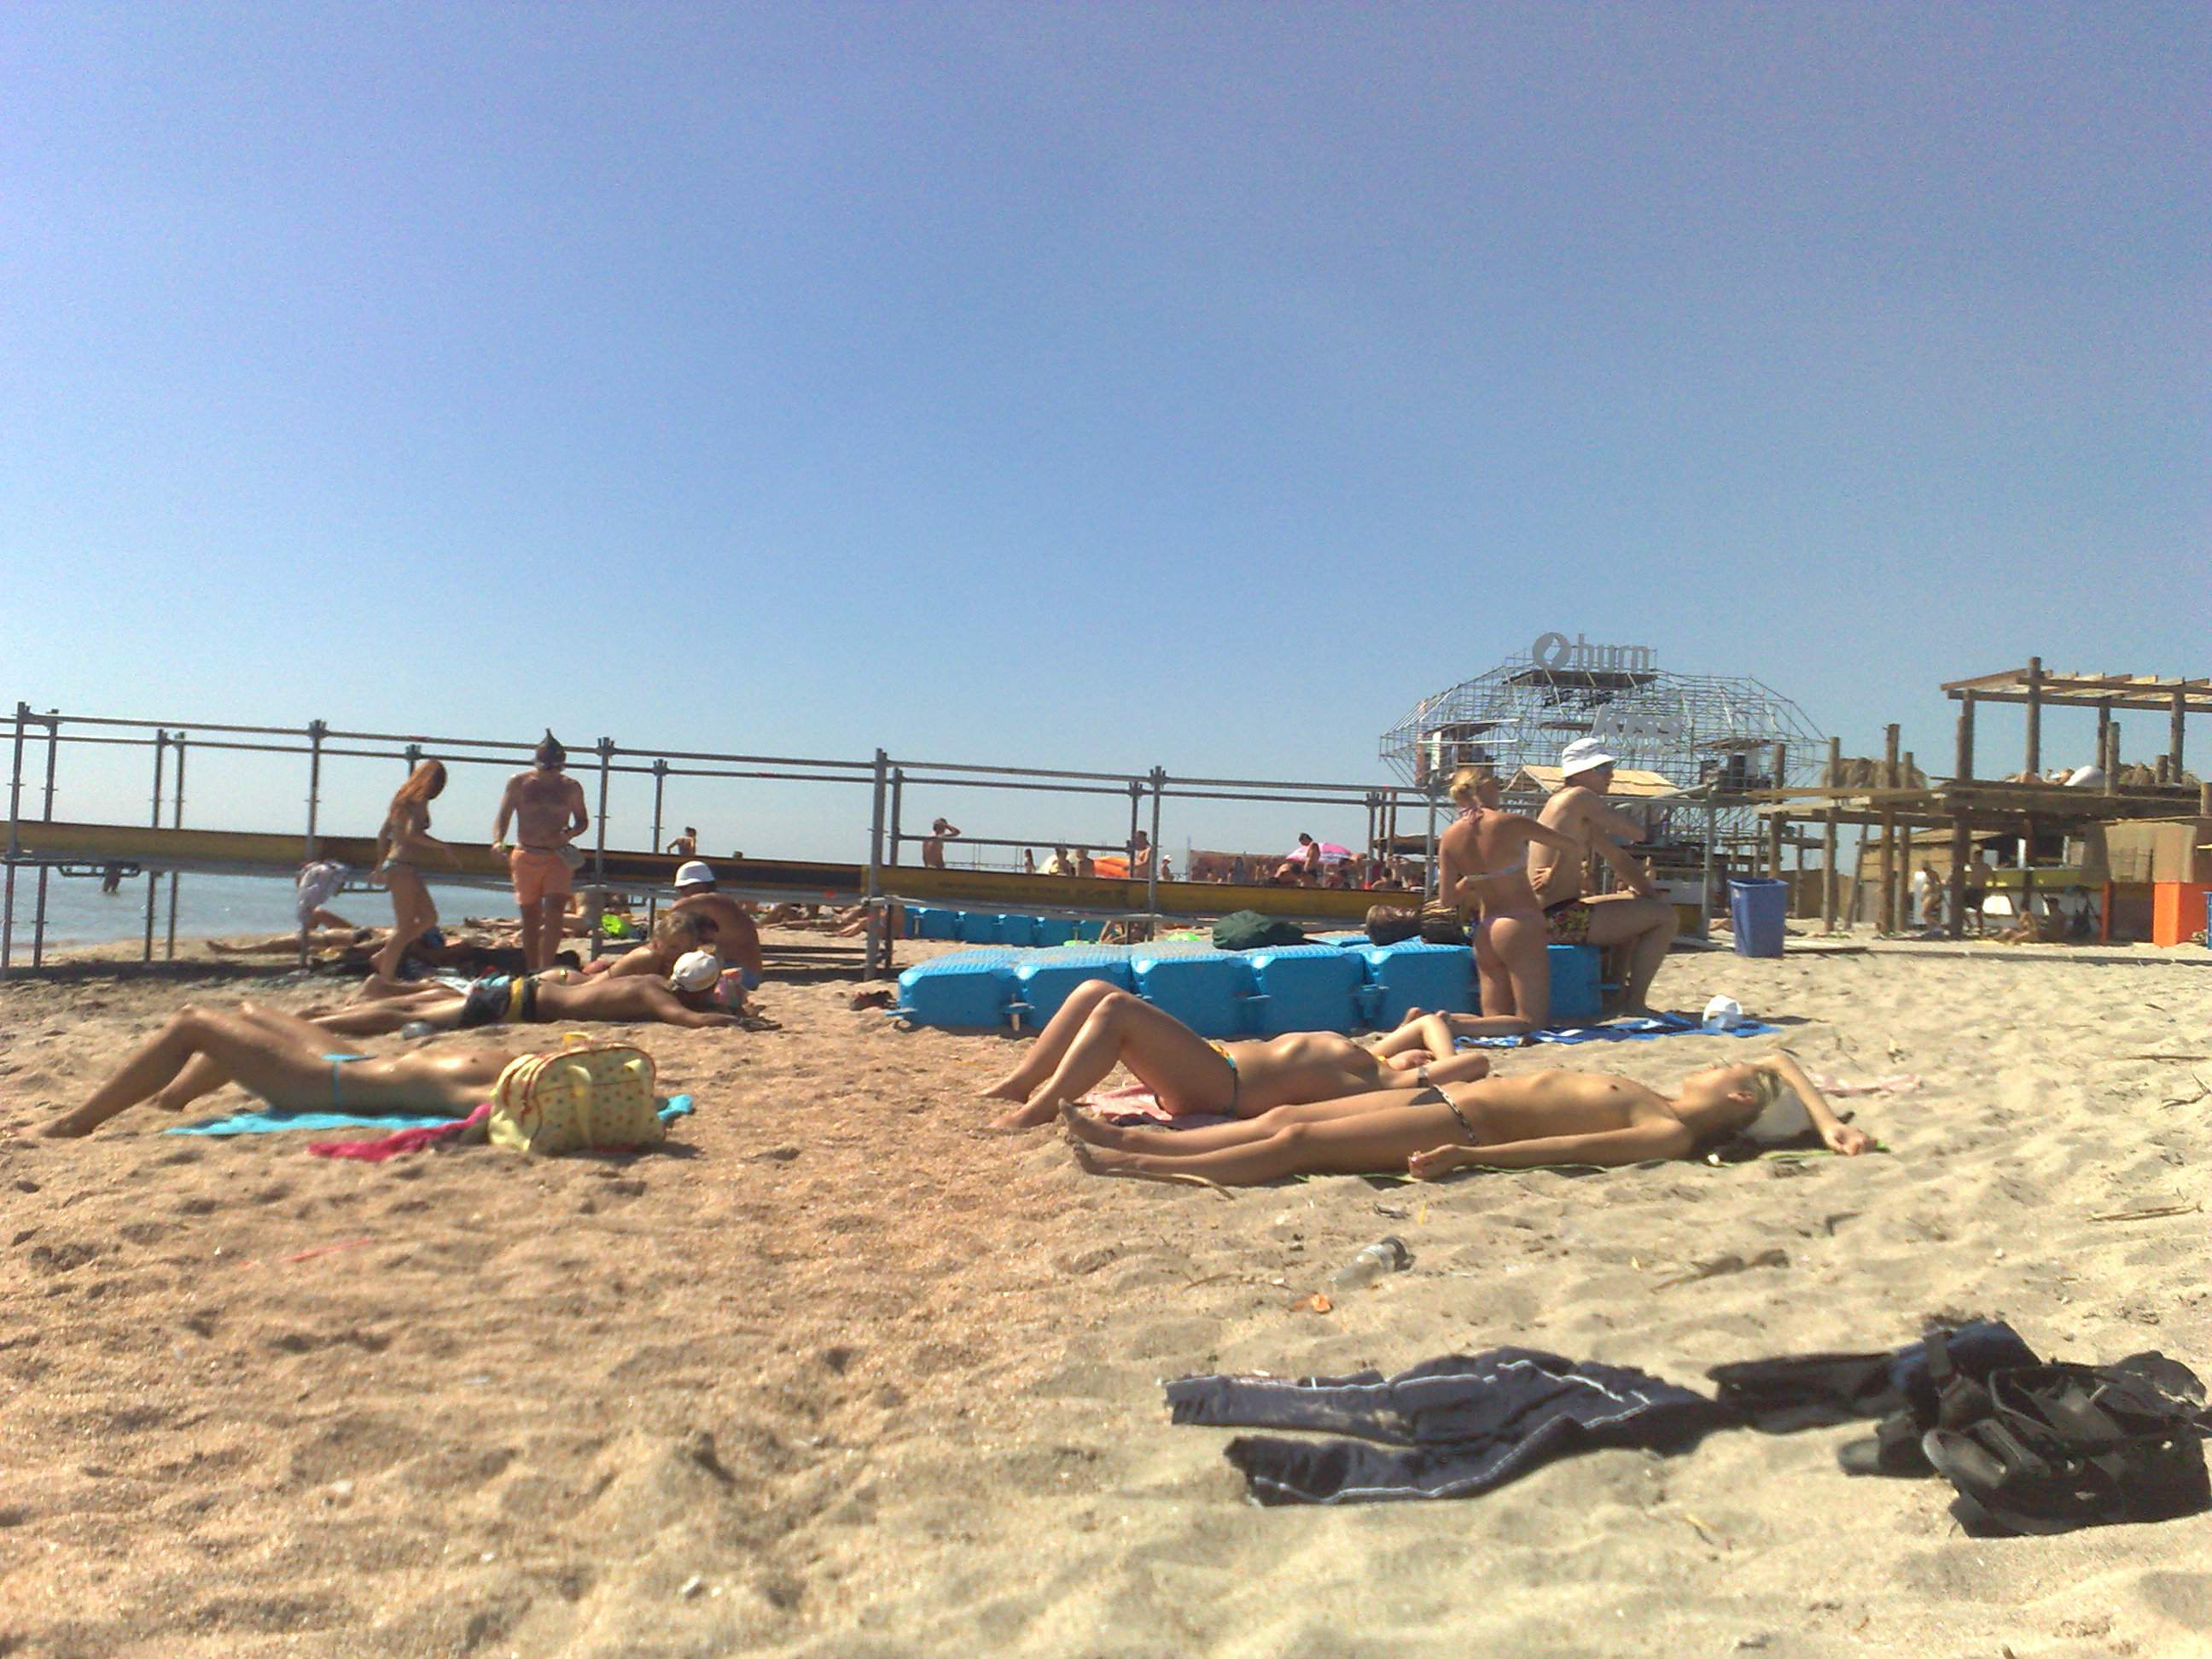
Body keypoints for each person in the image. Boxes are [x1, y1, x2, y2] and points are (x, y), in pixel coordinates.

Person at [1060, 1049, 1873, 1185]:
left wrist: (1472, 1160)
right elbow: (1778, 1059)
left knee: (1300, 1141)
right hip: (1445, 1101)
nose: (1724, 1061)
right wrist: (1827, 1122)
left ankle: (1140, 1162)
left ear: (1737, 1102)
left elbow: (1571, 1148)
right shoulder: (1667, 1102)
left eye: (1729, 1071)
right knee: (1282, 1121)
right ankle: (1132, 1137)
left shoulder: (1670, 1131)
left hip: (1461, 1129)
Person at [981, 981, 1500, 1130]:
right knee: (1094, 990)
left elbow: (1475, 1065)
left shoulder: (1385, 1082)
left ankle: (1038, 1111)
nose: (1417, 1056)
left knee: (1116, 1010)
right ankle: (1021, 1082)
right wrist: (1424, 1039)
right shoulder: (1373, 1056)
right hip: (1214, 1061)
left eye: (1423, 1061)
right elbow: (1426, 1023)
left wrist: (1436, 1065)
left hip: (1222, 1087)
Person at [40, 1002, 532, 1138]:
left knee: (193, 1022)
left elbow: (504, 1119)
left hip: (320, 1085)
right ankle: (168, 1100)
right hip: (353, 1062)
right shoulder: (535, 1066)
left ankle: (75, 1123)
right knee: (250, 1013)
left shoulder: (510, 1094)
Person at [1526, 739, 1679, 1016]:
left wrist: (1647, 895)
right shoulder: (1580, 798)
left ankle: (1615, 991)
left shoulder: (1567, 806)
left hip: (1550, 914)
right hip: (1559, 919)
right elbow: (1637, 833)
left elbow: (1617, 858)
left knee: (1635, 904)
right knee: (1666, 918)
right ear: (1581, 772)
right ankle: (1634, 1003)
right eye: (1603, 768)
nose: (1611, 774)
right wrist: (1615, 812)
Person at [1436, 766, 1583, 1035]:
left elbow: (1446, 899)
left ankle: (1432, 1020)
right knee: (1532, 1022)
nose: (1500, 792)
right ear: (1485, 788)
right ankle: (1456, 1026)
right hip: (1519, 923)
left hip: (1485, 930)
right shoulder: (1510, 823)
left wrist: (1471, 880)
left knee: (1494, 1021)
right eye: (1497, 785)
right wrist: (1552, 872)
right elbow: (1572, 846)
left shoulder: (1449, 838)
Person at [307, 950, 740, 1038]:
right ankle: (320, 1024)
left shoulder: (652, 982)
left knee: (416, 1007)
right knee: (408, 1018)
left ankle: (319, 1016)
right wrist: (739, 1020)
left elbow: (691, 1006)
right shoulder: (656, 997)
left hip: (525, 991)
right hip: (518, 1003)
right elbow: (691, 1020)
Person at [492, 733, 589, 974]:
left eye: (554, 768)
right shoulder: (519, 783)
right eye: (546, 767)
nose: (550, 773)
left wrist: (569, 833)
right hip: (526, 852)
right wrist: (498, 841)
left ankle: (546, 970)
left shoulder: (571, 787)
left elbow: (582, 820)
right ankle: (532, 970)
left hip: (557, 855)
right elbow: (503, 816)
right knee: (531, 917)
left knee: (555, 912)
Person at [370, 760, 460, 980]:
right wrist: (443, 847)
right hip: (402, 867)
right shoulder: (418, 802)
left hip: (399, 865)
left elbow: (383, 834)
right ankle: (385, 978)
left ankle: (384, 957)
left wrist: (380, 864)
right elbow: (413, 835)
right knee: (405, 927)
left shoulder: (401, 800)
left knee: (429, 917)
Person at [667, 860, 767, 988]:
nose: (681, 893)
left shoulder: (712, 901)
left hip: (742, 974)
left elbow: (676, 909)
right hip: (745, 972)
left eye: (683, 888)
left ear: (700, 885)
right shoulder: (721, 903)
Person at [1963, 849, 1995, 936]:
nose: (1974, 858)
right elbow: (1964, 863)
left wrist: (1991, 889)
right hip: (1971, 889)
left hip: (1980, 889)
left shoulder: (1986, 867)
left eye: (1976, 856)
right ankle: (1969, 924)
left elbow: (1994, 878)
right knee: (1960, 906)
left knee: (1978, 910)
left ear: (1980, 857)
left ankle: (1980, 928)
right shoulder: (1972, 866)